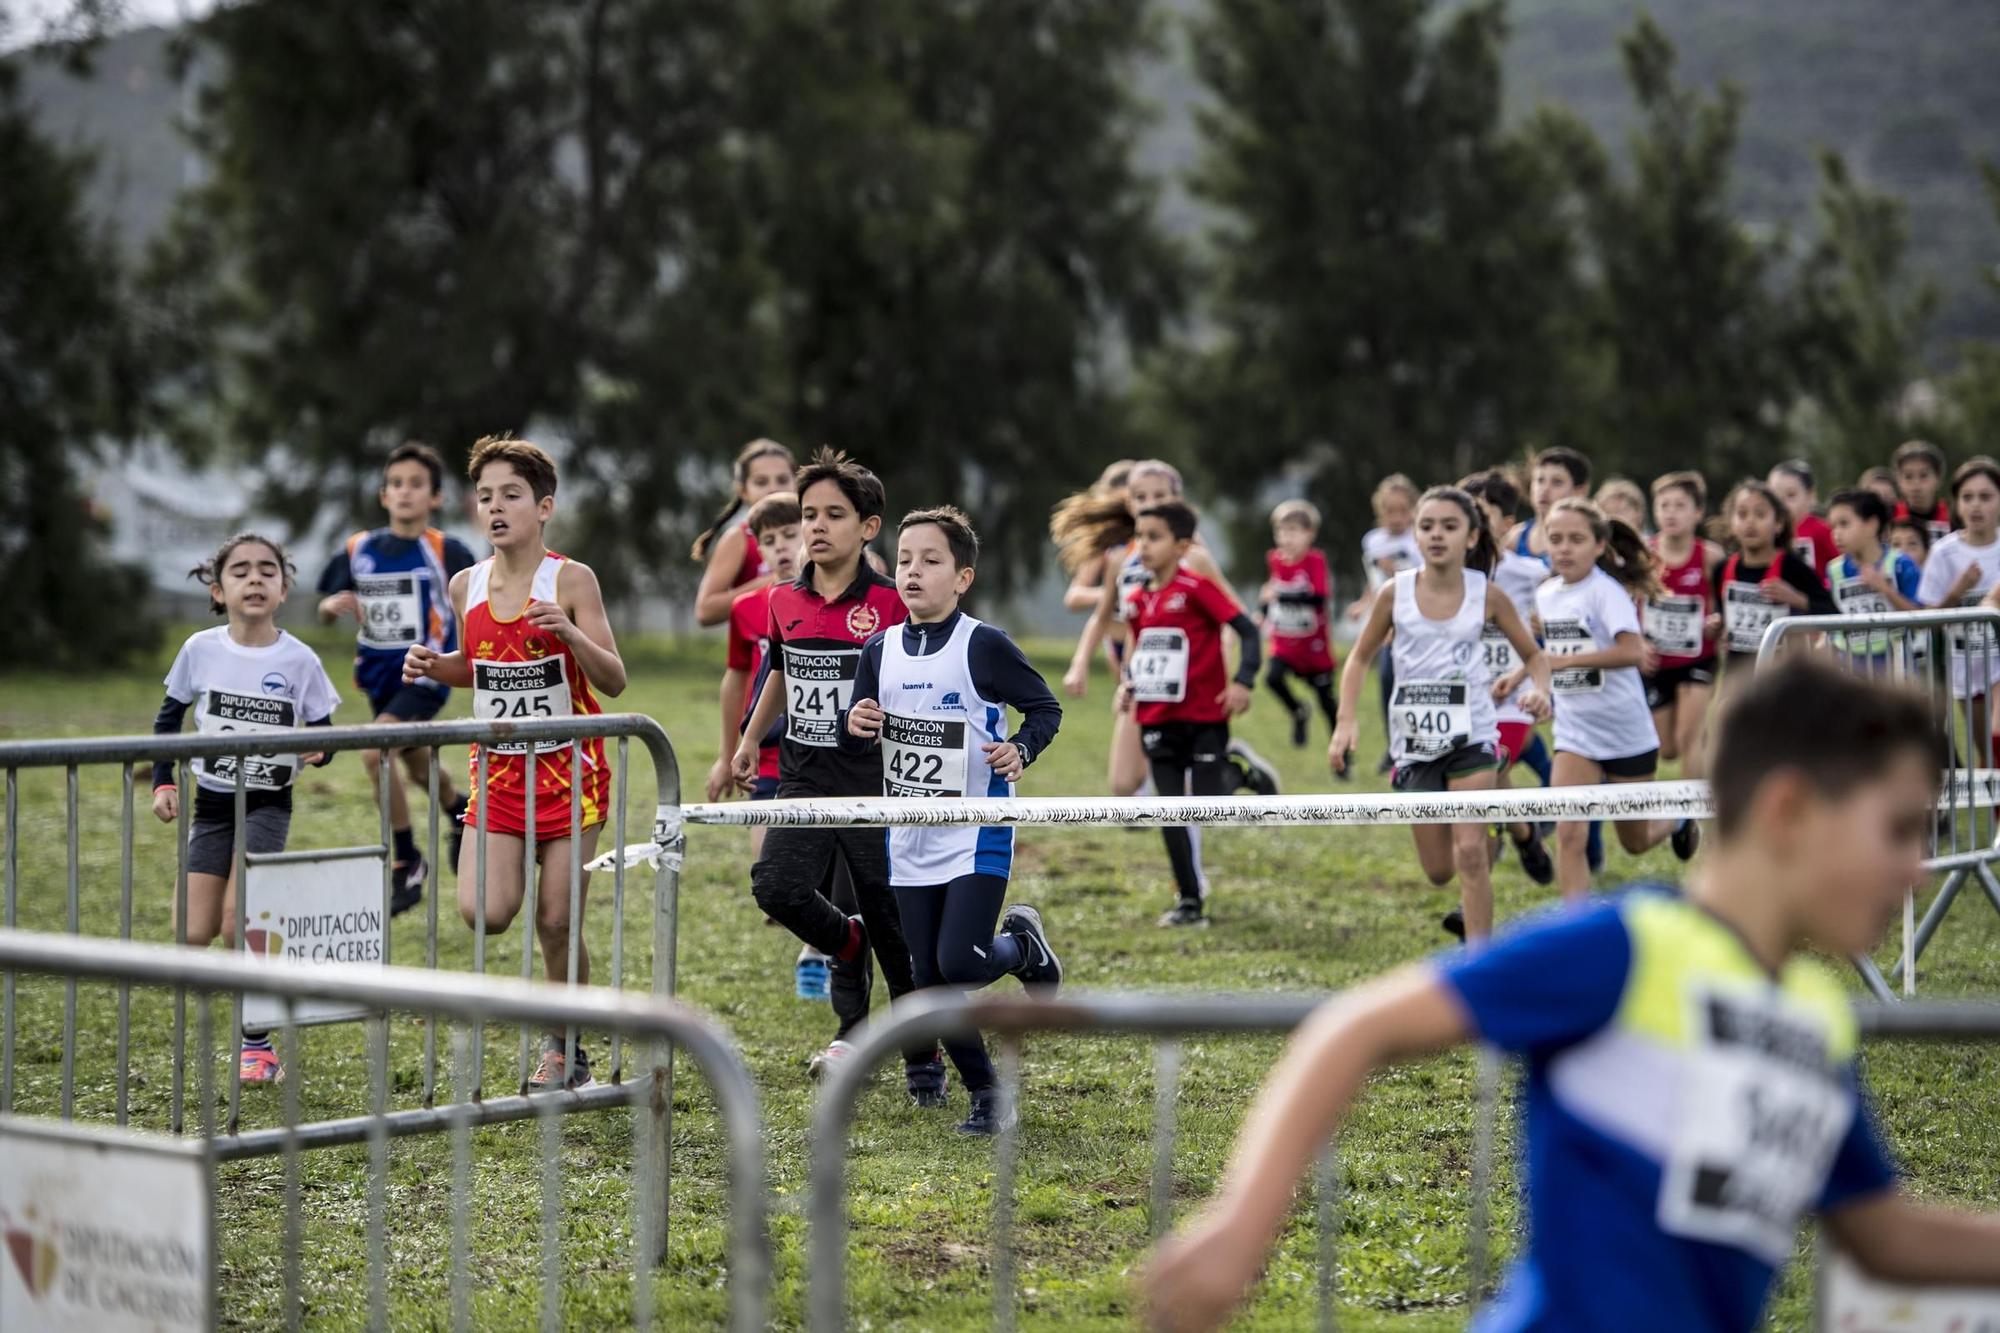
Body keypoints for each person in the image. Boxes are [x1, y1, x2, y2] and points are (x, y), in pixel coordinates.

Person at [1143, 659, 2000, 1333]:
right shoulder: (1632, 947)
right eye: (1897, 829)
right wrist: (1239, 1223)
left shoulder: (1816, 1014)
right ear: (1788, 811)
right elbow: (1357, 1026)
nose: (1916, 868)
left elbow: (1885, 1234)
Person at [403, 435, 626, 1091]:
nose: (495, 508)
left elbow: (613, 680)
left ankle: (566, 1046)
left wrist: (572, 633)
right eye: (484, 497)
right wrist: (434, 666)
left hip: (572, 777)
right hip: (498, 778)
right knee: (486, 911)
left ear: (544, 505)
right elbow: (480, 669)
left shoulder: (572, 579)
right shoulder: (465, 584)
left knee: (557, 921)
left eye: (511, 495)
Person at [842, 506, 1065, 1134]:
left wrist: (1019, 748)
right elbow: (858, 741)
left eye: (931, 561)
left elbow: (1044, 709)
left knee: (961, 965)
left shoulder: (983, 645)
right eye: (905, 560)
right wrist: (854, 728)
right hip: (908, 837)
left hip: (974, 834)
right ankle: (988, 1095)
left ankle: (1022, 948)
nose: (913, 572)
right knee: (926, 980)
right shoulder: (878, 649)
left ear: (962, 577)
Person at [728, 448, 941, 1091]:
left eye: (833, 515)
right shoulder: (783, 600)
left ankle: (919, 1055)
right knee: (776, 887)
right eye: (808, 514)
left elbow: (929, 675)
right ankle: (844, 947)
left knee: (891, 921)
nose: (816, 527)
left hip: (879, 782)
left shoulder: (889, 600)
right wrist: (749, 736)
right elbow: (780, 669)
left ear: (869, 528)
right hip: (805, 777)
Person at [153, 534, 341, 1083]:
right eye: (241, 571)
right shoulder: (200, 649)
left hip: (266, 805)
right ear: (219, 589)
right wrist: (162, 781)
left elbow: (326, 735)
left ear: (283, 590)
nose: (255, 579)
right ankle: (263, 972)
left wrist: (320, 748)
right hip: (210, 805)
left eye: (267, 571)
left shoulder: (300, 659)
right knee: (193, 932)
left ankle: (256, 1044)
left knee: (238, 924)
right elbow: (168, 722)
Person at [1331, 487, 1551, 941]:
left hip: (1472, 734)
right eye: (1427, 526)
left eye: (1449, 527)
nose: (1436, 536)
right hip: (1414, 743)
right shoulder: (1395, 594)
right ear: (1415, 533)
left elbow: (1534, 655)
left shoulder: (1487, 595)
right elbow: (1358, 658)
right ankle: (1507, 827)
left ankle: (1480, 962)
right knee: (1437, 871)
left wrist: (1541, 690)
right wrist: (1345, 722)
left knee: (1470, 852)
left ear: (1471, 538)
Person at [315, 441, 477, 914]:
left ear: (436, 498)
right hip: (378, 677)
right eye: (396, 484)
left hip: (425, 674)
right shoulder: (358, 548)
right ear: (384, 495)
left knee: (374, 751)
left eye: (417, 485)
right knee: (414, 764)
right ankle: (460, 811)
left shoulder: (448, 550)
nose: (405, 493)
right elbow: (327, 602)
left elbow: (478, 602)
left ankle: (406, 860)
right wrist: (331, 608)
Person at [1537, 499, 1697, 896]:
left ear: (1598, 545)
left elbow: (1632, 652)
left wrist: (1562, 663)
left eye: (1576, 539)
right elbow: (1544, 656)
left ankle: (1677, 818)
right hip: (1575, 735)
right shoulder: (1545, 595)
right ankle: (1576, 938)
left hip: (1626, 733)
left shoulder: (1606, 593)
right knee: (1569, 835)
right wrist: (1522, 677)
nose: (1564, 548)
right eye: (1556, 539)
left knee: (1635, 841)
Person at [1118, 501, 1264, 927]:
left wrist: (1243, 682)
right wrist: (1130, 684)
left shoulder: (1197, 588)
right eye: (1139, 537)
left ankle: (1238, 773)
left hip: (1204, 717)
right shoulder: (1138, 599)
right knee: (1170, 810)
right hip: (1156, 719)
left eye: (1154, 537)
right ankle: (1189, 900)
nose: (1143, 546)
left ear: (1182, 545)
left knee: (1207, 807)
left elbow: (1249, 631)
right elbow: (1142, 652)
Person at [1460, 469, 1555, 887]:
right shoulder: (1450, 575)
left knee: (1491, 769)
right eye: (1469, 513)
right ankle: (1524, 832)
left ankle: (1473, 900)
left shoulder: (1530, 574)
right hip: (1462, 700)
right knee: (1487, 782)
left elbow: (1558, 625)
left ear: (1507, 519)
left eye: (1484, 513)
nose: (1476, 523)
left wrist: (1530, 675)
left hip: (1511, 698)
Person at [1708, 479, 1836, 688]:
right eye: (1742, 514)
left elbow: (1832, 612)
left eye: (1760, 514)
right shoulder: (1722, 568)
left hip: (1783, 675)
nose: (1750, 522)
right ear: (1731, 522)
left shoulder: (1793, 567)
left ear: (1778, 523)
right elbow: (1721, 613)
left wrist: (1796, 598)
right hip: (1738, 673)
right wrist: (1715, 623)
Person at [1644, 472, 1722, 779]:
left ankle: (1688, 820)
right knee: (1668, 748)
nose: (1671, 513)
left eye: (1680, 505)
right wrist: (1637, 642)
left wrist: (1719, 622)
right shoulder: (1643, 554)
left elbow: (1726, 599)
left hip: (1698, 658)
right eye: (1664, 506)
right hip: (1656, 661)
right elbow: (1627, 602)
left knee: (1688, 739)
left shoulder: (1710, 556)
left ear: (1697, 512)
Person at [1922, 457, 2000, 743]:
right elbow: (1928, 619)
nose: (1976, 505)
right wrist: (1957, 592)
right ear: (1956, 504)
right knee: (1988, 753)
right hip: (1966, 664)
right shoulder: (1944, 553)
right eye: (1967, 497)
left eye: (1985, 496)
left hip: (1998, 661)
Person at [1347, 474, 1422, 772]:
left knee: (1408, 682)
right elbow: (1374, 581)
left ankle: (1414, 742)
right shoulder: (1373, 541)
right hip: (1382, 621)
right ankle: (1394, 747)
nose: (1397, 517)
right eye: (1390, 510)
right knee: (1387, 681)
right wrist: (1364, 603)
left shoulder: (1419, 539)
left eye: (1403, 510)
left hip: (1412, 621)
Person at [1259, 499, 1340, 749]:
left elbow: (1319, 598)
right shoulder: (1274, 560)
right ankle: (1298, 711)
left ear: (1310, 534)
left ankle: (1341, 748)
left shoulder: (1315, 561)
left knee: (1326, 701)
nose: (1286, 538)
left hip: (1313, 647)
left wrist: (1281, 597)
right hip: (1285, 643)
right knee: (1272, 678)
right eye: (1281, 531)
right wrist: (1262, 611)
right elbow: (1270, 592)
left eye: (1293, 531)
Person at [691, 439, 796, 627]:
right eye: (761, 482)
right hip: (759, 652)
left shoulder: (813, 531)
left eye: (782, 479)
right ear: (743, 491)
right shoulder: (738, 538)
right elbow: (705, 611)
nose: (773, 488)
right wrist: (777, 580)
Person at [1825, 488, 1923, 670]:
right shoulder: (1834, 569)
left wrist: (1885, 590)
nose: (1836, 533)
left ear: (1871, 524)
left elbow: (1921, 619)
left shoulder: (1900, 564)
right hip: (1848, 665)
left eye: (1844, 524)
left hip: (1895, 665)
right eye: (1833, 526)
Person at [1049, 459, 1137, 615]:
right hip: (1117, 635)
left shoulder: (1164, 538)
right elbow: (1074, 597)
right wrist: (1113, 593)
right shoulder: (1106, 544)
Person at [1504, 447, 1591, 563]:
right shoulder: (1514, 537)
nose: (1544, 489)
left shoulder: (1588, 541)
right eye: (1540, 480)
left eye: (1557, 482)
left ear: (1580, 491)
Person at [1769, 458, 1837, 575]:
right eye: (1775, 496)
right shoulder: (1767, 531)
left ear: (1810, 495)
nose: (1782, 503)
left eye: (1791, 495)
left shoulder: (1822, 531)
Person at [1893, 439, 1953, 546]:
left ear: (1938, 478)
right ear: (1899, 481)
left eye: (1923, 476)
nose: (1916, 485)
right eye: (1908, 477)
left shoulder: (1953, 517)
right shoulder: (1890, 518)